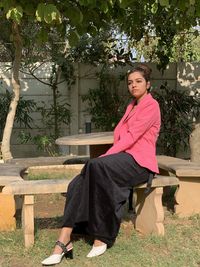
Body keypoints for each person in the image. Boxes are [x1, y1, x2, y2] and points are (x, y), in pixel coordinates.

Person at [41, 63, 161, 266]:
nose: (133, 85)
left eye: (138, 81)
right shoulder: (131, 106)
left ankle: (102, 236)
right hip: (124, 159)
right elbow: (120, 136)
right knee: (77, 183)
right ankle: (64, 239)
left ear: (148, 84)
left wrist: (105, 156)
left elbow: (131, 138)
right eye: (130, 82)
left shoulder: (151, 105)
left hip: (141, 163)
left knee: (95, 166)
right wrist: (107, 157)